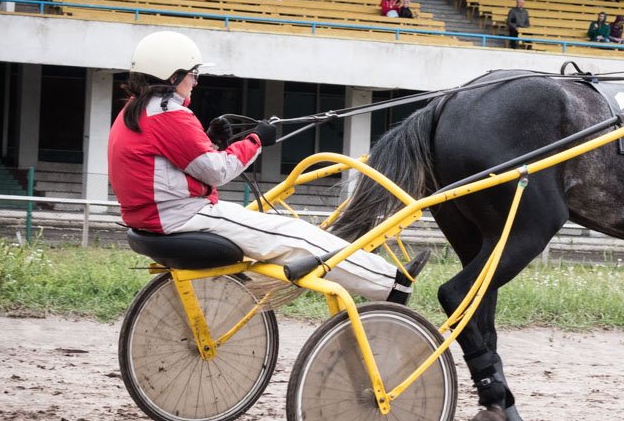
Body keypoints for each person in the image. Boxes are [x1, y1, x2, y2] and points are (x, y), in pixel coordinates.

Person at [108, 31, 423, 305]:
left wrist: (215, 145)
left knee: (285, 232)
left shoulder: (134, 112)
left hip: (159, 217)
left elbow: (179, 163)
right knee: (298, 236)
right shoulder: (170, 115)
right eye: (192, 74)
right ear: (171, 75)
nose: (195, 81)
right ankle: (391, 283)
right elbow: (217, 172)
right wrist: (257, 140)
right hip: (182, 216)